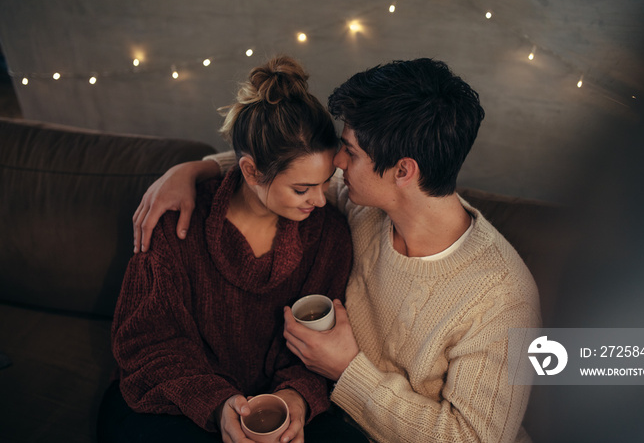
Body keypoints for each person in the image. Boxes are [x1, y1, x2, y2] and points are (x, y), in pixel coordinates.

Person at [133, 58, 541, 443]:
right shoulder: (364, 206)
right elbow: (277, 171)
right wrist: (189, 171)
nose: (338, 161)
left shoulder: (503, 296)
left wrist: (348, 371)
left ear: (403, 171)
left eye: (351, 150)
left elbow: (471, 438)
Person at [98, 56, 369, 443]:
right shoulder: (179, 224)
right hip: (179, 402)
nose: (321, 201)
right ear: (250, 171)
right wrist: (218, 403)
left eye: (326, 183)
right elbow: (146, 341)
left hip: (277, 407)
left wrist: (296, 398)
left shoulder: (329, 236)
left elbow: (322, 345)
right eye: (301, 188)